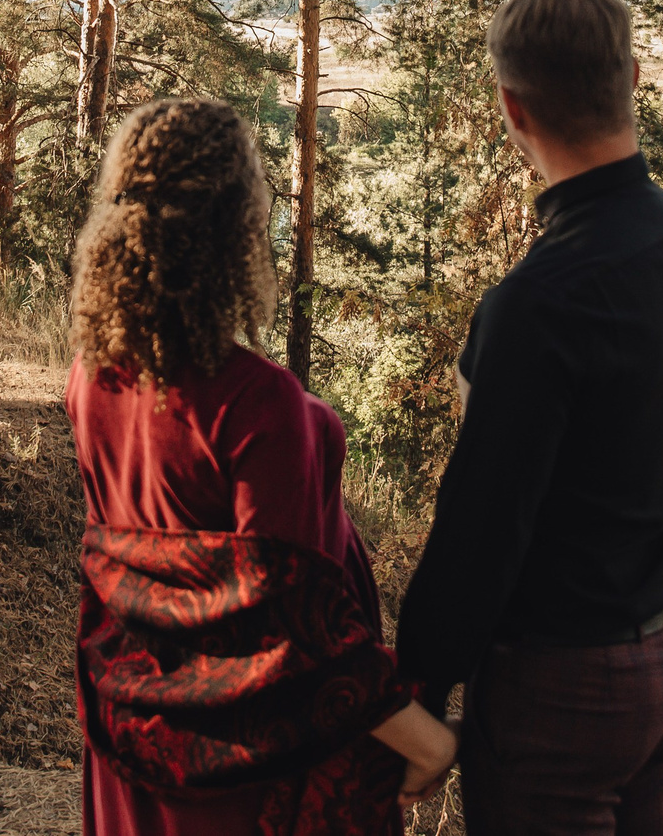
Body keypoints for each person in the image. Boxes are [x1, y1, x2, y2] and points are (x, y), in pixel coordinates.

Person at [67, 98, 458, 836]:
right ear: (235, 232)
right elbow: (297, 632)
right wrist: (426, 740)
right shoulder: (259, 405)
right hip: (250, 772)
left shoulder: (94, 377)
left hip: (137, 737)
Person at [395, 0, 663, 836]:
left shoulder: (538, 301)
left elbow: (483, 522)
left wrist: (417, 688)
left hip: (564, 685)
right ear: (635, 77)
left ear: (512, 108)